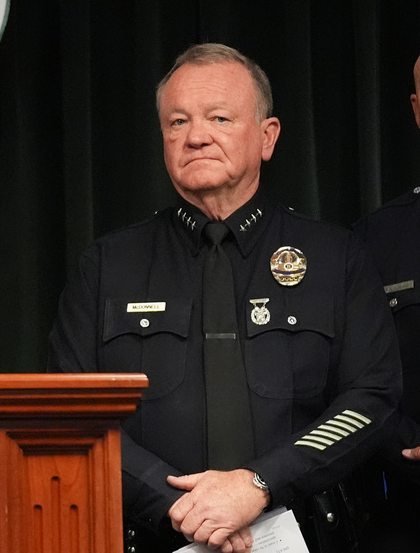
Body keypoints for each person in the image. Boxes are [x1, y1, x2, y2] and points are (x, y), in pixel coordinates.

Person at [47, 43, 401, 553]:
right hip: (152, 535)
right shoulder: (106, 266)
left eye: (219, 118)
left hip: (307, 534)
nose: (196, 136)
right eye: (177, 122)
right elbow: (71, 412)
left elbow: (371, 397)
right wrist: (181, 506)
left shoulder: (335, 256)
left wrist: (259, 485)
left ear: (267, 136)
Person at [351, 53, 420, 552]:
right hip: (408, 505)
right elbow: (351, 374)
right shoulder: (374, 239)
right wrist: (406, 446)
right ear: (417, 109)